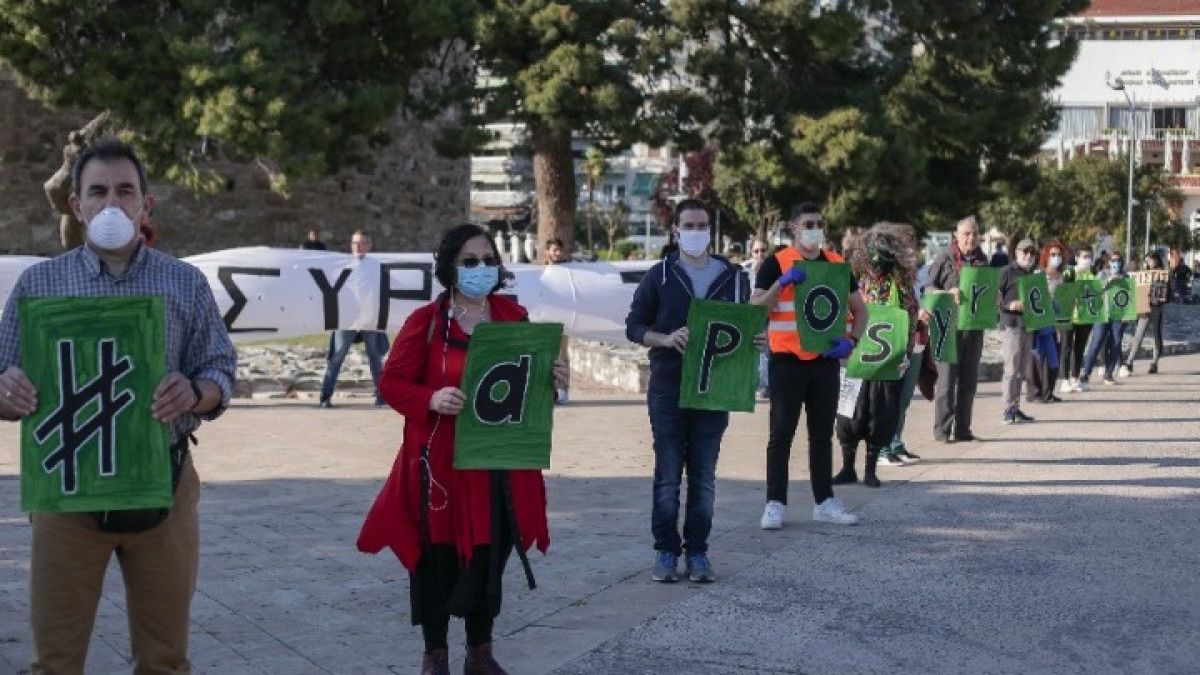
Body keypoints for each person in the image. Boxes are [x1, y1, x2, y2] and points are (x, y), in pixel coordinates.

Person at [0, 137, 237, 673]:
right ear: (76, 205)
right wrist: (5, 390)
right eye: (98, 191)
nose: (113, 204)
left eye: (125, 191)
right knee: (54, 662)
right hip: (67, 499)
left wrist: (196, 392)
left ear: (145, 204)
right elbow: (2, 373)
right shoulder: (40, 285)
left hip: (163, 490)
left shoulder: (184, 282)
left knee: (165, 661)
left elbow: (221, 367)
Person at [356, 223, 565, 675]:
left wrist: (552, 379)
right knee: (436, 559)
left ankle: (480, 653)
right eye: (470, 261)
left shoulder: (514, 317)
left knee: (491, 553)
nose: (481, 268)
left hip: (498, 462)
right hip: (441, 469)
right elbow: (391, 382)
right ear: (450, 267)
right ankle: (436, 656)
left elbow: (527, 389)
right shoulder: (426, 323)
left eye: (488, 260)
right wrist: (430, 399)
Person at [625, 199, 755, 583]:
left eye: (703, 225)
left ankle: (698, 552)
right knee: (667, 476)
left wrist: (754, 342)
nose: (697, 231)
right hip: (668, 389)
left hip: (714, 392)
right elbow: (634, 326)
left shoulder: (733, 277)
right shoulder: (660, 275)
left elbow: (741, 328)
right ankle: (666, 551)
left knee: (704, 477)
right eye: (689, 225)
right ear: (676, 231)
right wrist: (664, 339)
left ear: (710, 230)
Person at [751, 202, 867, 530]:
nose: (814, 228)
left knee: (820, 436)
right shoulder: (776, 263)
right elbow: (755, 308)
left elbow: (861, 310)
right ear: (794, 229)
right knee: (781, 435)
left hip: (824, 362)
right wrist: (782, 283)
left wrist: (852, 342)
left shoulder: (836, 264)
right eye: (807, 223)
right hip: (786, 362)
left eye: (818, 223)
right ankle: (775, 503)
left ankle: (824, 501)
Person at [833, 223, 925, 487]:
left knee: (880, 417)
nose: (877, 257)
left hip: (887, 365)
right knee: (849, 416)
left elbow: (909, 321)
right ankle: (847, 467)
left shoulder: (902, 288)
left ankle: (871, 469)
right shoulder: (855, 284)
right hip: (855, 363)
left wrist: (906, 355)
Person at [926, 215, 989, 442]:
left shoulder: (983, 261)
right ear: (956, 236)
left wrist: (995, 296)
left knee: (969, 381)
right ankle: (942, 430)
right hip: (948, 328)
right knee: (946, 382)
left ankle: (963, 429)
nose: (971, 238)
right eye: (966, 234)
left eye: (974, 234)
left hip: (973, 328)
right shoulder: (945, 259)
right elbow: (929, 289)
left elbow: (987, 292)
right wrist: (947, 293)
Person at [318, 230, 392, 408]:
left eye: (362, 243)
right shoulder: (340, 265)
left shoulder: (377, 266)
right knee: (337, 356)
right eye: (355, 243)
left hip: (370, 318)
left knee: (375, 357)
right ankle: (326, 395)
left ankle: (381, 395)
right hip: (347, 318)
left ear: (369, 245)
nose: (358, 246)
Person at [997, 238, 1038, 424]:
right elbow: (993, 295)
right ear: (1016, 253)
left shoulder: (1033, 275)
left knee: (1022, 370)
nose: (1028, 255)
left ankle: (1015, 407)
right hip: (1011, 324)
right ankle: (1007, 410)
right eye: (1025, 252)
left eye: (1032, 252)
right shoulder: (1006, 272)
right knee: (1011, 369)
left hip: (1027, 325)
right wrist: (1009, 305)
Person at [1079, 251, 1128, 388]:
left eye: (1118, 260)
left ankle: (1109, 374)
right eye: (1113, 260)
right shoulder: (1103, 274)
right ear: (1109, 262)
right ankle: (1086, 373)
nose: (1116, 263)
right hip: (1102, 313)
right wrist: (1108, 281)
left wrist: (1128, 315)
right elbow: (1095, 290)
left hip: (1117, 315)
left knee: (1116, 342)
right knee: (1097, 341)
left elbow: (1129, 296)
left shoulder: (1125, 276)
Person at [1027, 241, 1067, 403]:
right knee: (1037, 357)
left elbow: (1061, 301)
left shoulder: (1061, 277)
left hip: (1055, 321)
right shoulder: (1038, 275)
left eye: (1059, 255)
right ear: (1046, 256)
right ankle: (1035, 392)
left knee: (1053, 356)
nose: (1056, 257)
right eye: (1053, 254)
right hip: (1039, 321)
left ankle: (1048, 391)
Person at [1121, 250, 1167, 376]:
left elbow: (1168, 293)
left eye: (1150, 259)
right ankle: (1129, 362)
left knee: (1157, 337)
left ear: (1156, 260)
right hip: (1144, 309)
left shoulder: (1163, 274)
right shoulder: (1143, 273)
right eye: (1146, 260)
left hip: (1158, 309)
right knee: (1138, 335)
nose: (1148, 262)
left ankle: (1154, 363)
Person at [1060, 245, 1095, 393]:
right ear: (1077, 258)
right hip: (1068, 316)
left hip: (1085, 317)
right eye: (1084, 257)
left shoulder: (1091, 276)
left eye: (1089, 257)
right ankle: (1064, 380)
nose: (1086, 260)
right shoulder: (1069, 273)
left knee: (1080, 349)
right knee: (1066, 348)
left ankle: (1075, 378)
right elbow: (1062, 291)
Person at [542, 237, 572, 403]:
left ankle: (563, 389)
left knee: (562, 355)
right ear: (548, 252)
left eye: (559, 250)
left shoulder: (569, 271)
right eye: (554, 250)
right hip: (545, 319)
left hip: (563, 319)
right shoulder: (541, 270)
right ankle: (549, 391)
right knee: (547, 356)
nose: (557, 253)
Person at [745, 237, 771, 397]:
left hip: (768, 318)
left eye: (763, 250)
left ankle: (765, 386)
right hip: (748, 317)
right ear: (751, 252)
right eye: (756, 251)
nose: (760, 254)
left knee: (765, 353)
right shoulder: (745, 272)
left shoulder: (774, 270)